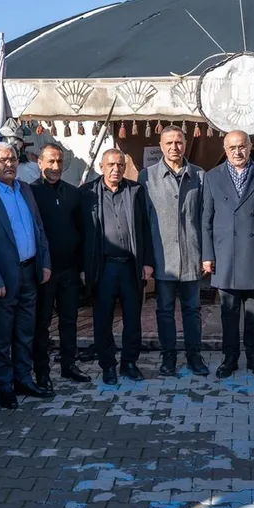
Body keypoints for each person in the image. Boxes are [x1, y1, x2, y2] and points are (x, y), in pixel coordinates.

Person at [0, 142, 54, 409]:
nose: (9, 164)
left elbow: (38, 228)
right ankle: (4, 387)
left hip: (30, 273)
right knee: (1, 337)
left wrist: (44, 262)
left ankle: (23, 379)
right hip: (2, 280)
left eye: (13, 159)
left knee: (25, 332)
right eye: (3, 160)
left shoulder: (25, 189)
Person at [201, 130, 254, 379]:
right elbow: (206, 219)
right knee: (228, 312)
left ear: (250, 147)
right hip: (225, 253)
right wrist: (207, 254)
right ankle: (230, 358)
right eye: (232, 147)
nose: (238, 152)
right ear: (225, 150)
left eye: (242, 146)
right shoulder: (212, 177)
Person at [139, 126, 210, 377]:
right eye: (168, 143)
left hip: (192, 255)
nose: (174, 147)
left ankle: (194, 356)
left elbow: (205, 219)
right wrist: (147, 260)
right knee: (165, 311)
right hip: (162, 257)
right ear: (161, 146)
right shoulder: (147, 177)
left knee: (193, 310)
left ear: (185, 144)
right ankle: (168, 356)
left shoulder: (199, 175)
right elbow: (143, 222)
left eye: (178, 142)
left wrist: (206, 255)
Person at [81, 149, 155, 385]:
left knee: (132, 319)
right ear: (101, 167)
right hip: (103, 267)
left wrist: (147, 262)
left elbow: (146, 227)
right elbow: (80, 233)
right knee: (103, 319)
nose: (116, 169)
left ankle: (129, 363)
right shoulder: (87, 193)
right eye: (111, 164)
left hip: (131, 267)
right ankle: (108, 366)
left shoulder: (136, 191)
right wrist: (83, 267)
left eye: (120, 165)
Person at [31, 144, 91, 387]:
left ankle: (69, 365)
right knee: (42, 323)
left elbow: (82, 230)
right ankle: (42, 371)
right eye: (51, 161)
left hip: (70, 270)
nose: (56, 167)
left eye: (59, 162)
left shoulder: (73, 193)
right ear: (40, 163)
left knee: (69, 320)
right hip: (44, 272)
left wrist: (82, 267)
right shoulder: (30, 193)